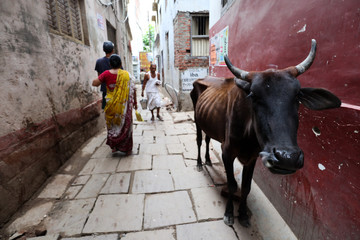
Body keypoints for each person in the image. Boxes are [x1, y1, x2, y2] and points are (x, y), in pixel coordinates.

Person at [92, 54, 137, 154]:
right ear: (121, 64)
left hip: (111, 105)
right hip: (123, 105)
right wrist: (135, 102)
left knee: (113, 125)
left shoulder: (106, 74)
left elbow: (94, 83)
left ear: (110, 64)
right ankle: (127, 149)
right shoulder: (127, 75)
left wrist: (102, 78)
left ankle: (115, 147)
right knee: (125, 124)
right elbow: (133, 89)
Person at [95, 41, 115, 109]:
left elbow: (99, 77)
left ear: (103, 50)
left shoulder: (99, 62)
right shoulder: (116, 60)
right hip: (116, 90)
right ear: (113, 50)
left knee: (107, 109)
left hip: (105, 90)